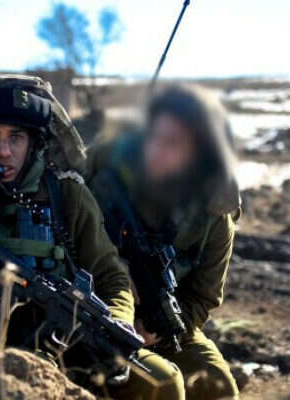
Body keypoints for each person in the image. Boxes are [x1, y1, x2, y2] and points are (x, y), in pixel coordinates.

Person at [0, 75, 185, 399]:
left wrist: (115, 323)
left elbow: (110, 275)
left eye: (15, 137)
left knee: (163, 381)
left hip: (67, 354)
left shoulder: (67, 194)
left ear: (33, 142)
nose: (3, 151)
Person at [86, 84, 241, 400]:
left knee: (218, 386)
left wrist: (157, 330)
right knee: (161, 384)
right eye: (153, 137)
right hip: (94, 315)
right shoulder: (106, 172)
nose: (156, 150)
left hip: (165, 329)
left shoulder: (215, 214)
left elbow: (204, 297)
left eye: (173, 143)